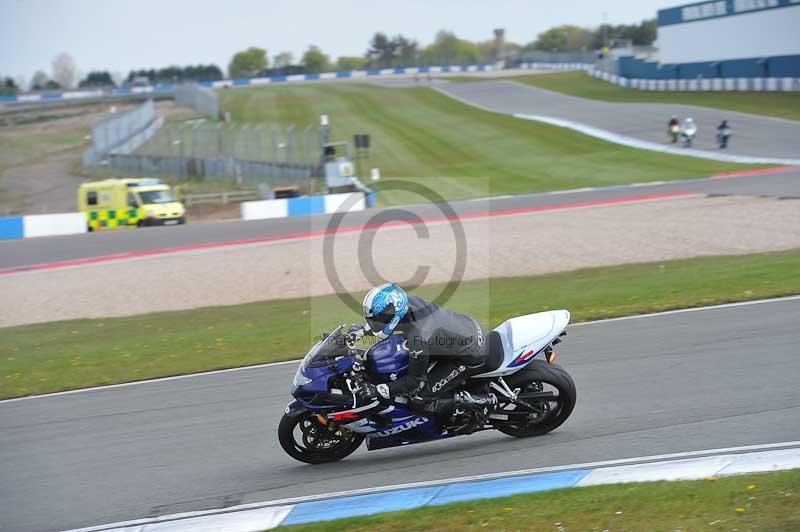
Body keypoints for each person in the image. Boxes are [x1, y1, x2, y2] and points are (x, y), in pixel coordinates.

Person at [350, 283, 497, 427]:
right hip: (465, 329)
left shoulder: (419, 337)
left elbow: (414, 381)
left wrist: (379, 390)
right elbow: (386, 321)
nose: (375, 322)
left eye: (377, 319)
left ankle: (480, 403)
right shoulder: (408, 302)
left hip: (470, 354)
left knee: (419, 401)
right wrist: (362, 331)